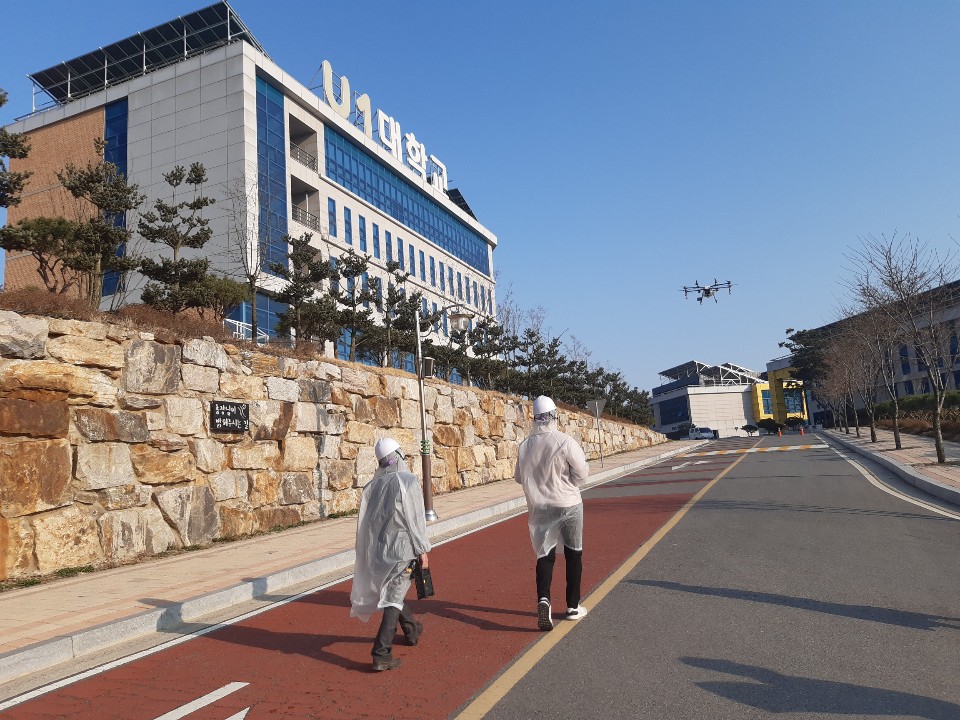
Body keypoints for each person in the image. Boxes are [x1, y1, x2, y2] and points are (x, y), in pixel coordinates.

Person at [350, 437, 432, 671]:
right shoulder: (407, 481)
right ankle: (381, 652)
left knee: (393, 590)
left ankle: (411, 629)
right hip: (402, 549)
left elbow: (366, 524)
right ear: (399, 455)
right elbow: (415, 520)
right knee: (394, 597)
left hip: (379, 552)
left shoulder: (371, 487)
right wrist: (422, 549)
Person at [514, 395, 591, 631]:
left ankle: (544, 599)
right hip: (568, 503)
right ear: (554, 415)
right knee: (573, 553)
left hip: (540, 507)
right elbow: (582, 474)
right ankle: (572, 606)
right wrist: (566, 480)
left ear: (535, 418)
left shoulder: (525, 446)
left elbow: (519, 477)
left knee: (544, 555)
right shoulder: (564, 441)